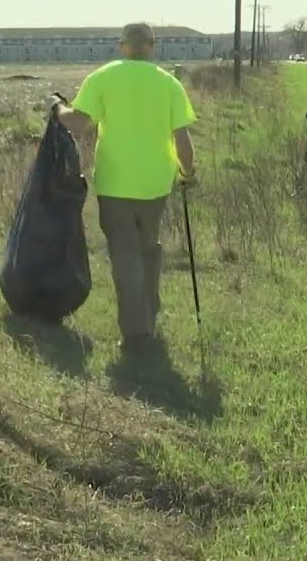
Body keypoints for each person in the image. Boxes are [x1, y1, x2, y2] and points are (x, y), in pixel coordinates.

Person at [47, 22, 197, 353]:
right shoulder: (169, 84)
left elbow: (77, 123)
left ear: (122, 45)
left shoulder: (103, 77)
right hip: (156, 184)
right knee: (148, 249)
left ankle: (137, 334)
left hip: (115, 184)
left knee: (125, 256)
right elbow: (182, 141)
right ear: (152, 46)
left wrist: (57, 106)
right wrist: (188, 173)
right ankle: (148, 318)